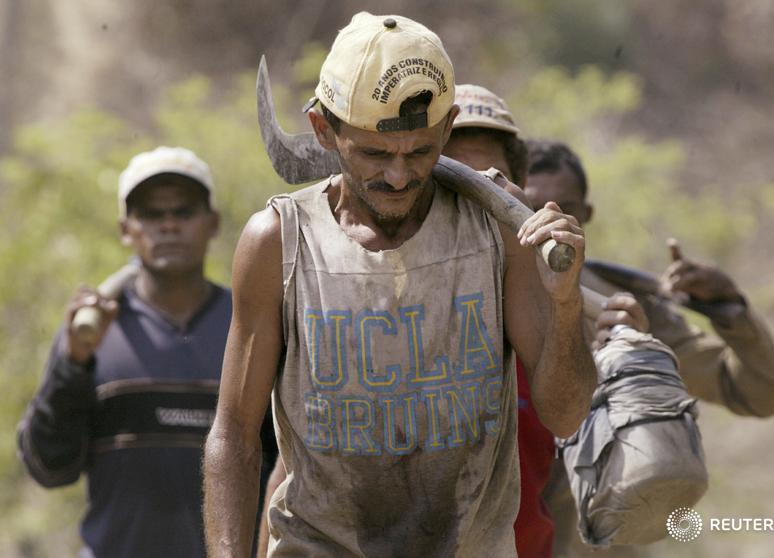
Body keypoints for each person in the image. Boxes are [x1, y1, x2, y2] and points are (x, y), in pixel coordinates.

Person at [203, 12, 595, 557]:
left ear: (447, 126)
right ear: (324, 130)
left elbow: (567, 414)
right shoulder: (279, 242)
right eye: (374, 153)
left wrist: (565, 302)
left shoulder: (495, 232)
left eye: (420, 151)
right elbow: (235, 434)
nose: (398, 176)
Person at [523, 139, 774, 557]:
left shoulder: (623, 304)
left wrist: (729, 309)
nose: (549, 221)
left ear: (586, 215)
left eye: (565, 207)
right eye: (531, 207)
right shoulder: (472, 299)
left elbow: (760, 392)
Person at [17, 146, 278, 558]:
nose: (169, 225)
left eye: (184, 211)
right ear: (126, 229)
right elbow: (48, 466)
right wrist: (73, 366)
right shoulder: (91, 333)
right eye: (152, 215)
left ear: (213, 223)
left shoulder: (252, 325)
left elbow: (287, 465)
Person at [442, 83, 556, 558]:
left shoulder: (550, 308)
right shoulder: (380, 298)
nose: (474, 196)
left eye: (489, 178)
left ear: (518, 192)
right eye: (453, 178)